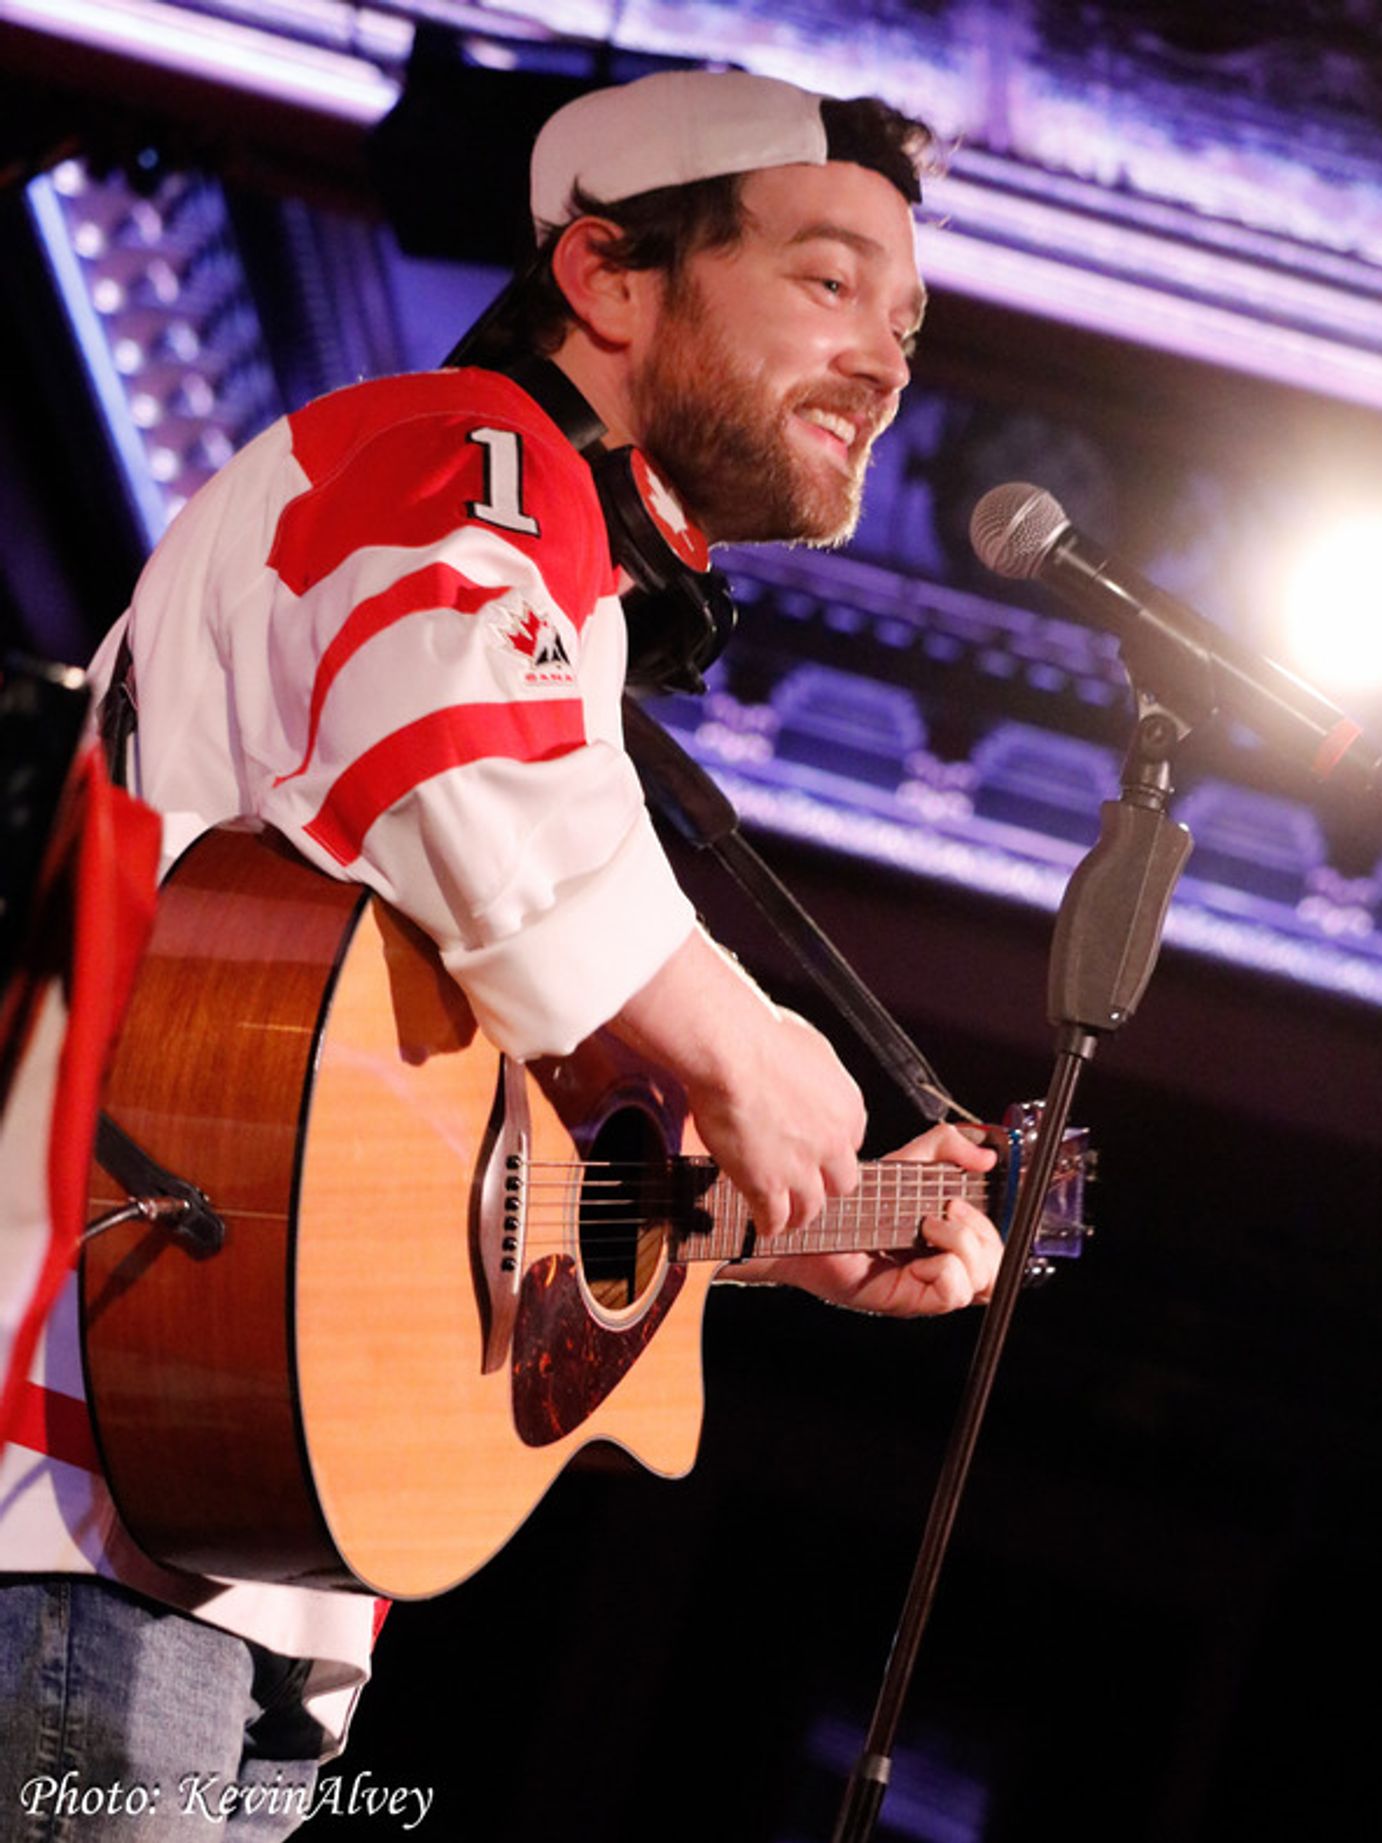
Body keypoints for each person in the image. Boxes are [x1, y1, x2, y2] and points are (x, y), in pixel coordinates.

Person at [0, 68, 1001, 1839]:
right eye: (829, 282)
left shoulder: (564, 629)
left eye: (908, 320)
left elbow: (436, 1152)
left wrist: (774, 1231)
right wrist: (755, 1059)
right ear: (609, 277)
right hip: (80, 1524)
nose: (885, 356)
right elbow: (462, 753)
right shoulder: (457, 459)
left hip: (232, 1555)